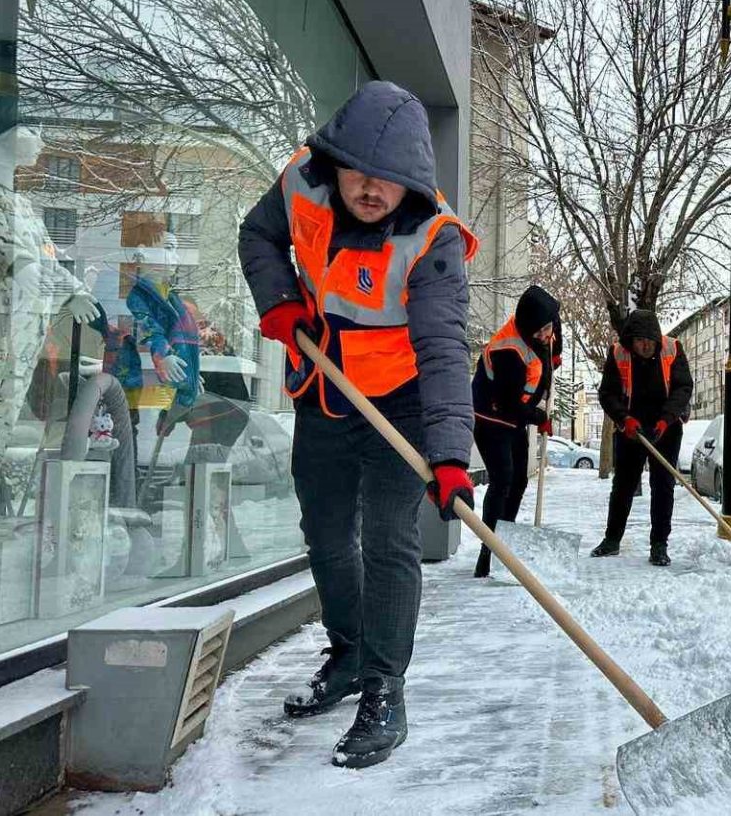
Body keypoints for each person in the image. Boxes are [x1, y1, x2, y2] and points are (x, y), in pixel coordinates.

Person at [238, 80, 478, 769]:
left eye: (389, 178)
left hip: (400, 402)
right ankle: (347, 654)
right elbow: (258, 235)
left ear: (414, 181)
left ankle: (383, 688)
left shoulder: (431, 240)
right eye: (359, 173)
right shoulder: (301, 182)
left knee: (389, 539)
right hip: (323, 388)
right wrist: (280, 302)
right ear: (334, 162)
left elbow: (442, 350)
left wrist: (449, 455)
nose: (372, 189)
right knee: (324, 530)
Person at [590, 310, 693, 566]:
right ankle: (612, 539)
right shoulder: (618, 353)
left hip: (665, 428)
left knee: (663, 485)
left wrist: (666, 420)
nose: (645, 346)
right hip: (630, 429)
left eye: (649, 341)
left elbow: (683, 387)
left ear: (657, 339)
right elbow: (608, 393)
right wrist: (623, 418)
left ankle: (659, 544)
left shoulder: (673, 349)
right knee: (623, 485)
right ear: (631, 340)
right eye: (639, 341)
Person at [471, 285, 561, 578]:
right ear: (527, 327)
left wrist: (553, 358)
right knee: (503, 480)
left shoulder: (546, 327)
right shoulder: (507, 350)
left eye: (548, 329)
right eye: (540, 332)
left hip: (516, 420)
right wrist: (538, 417)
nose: (545, 335)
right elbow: (508, 402)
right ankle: (488, 551)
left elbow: (551, 340)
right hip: (492, 418)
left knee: (520, 479)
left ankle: (505, 542)